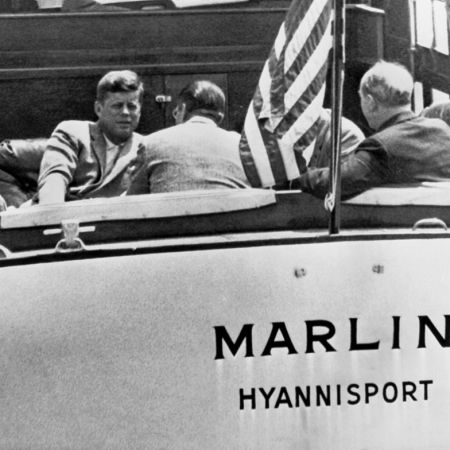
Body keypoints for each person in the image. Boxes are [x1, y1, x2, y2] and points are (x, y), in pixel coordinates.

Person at [297, 61, 450, 200]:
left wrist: (297, 179)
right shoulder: (442, 130)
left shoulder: (381, 146)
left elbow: (334, 182)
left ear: (370, 103)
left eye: (361, 98)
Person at [38, 70, 145, 204]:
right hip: (66, 211)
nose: (125, 112)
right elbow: (54, 181)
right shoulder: (72, 133)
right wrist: (53, 214)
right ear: (98, 109)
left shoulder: (145, 147)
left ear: (140, 111)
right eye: (117, 106)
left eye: (132, 106)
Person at [127, 80, 250, 194]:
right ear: (221, 117)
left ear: (183, 108)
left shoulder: (150, 143)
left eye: (176, 113)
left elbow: (133, 201)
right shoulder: (242, 146)